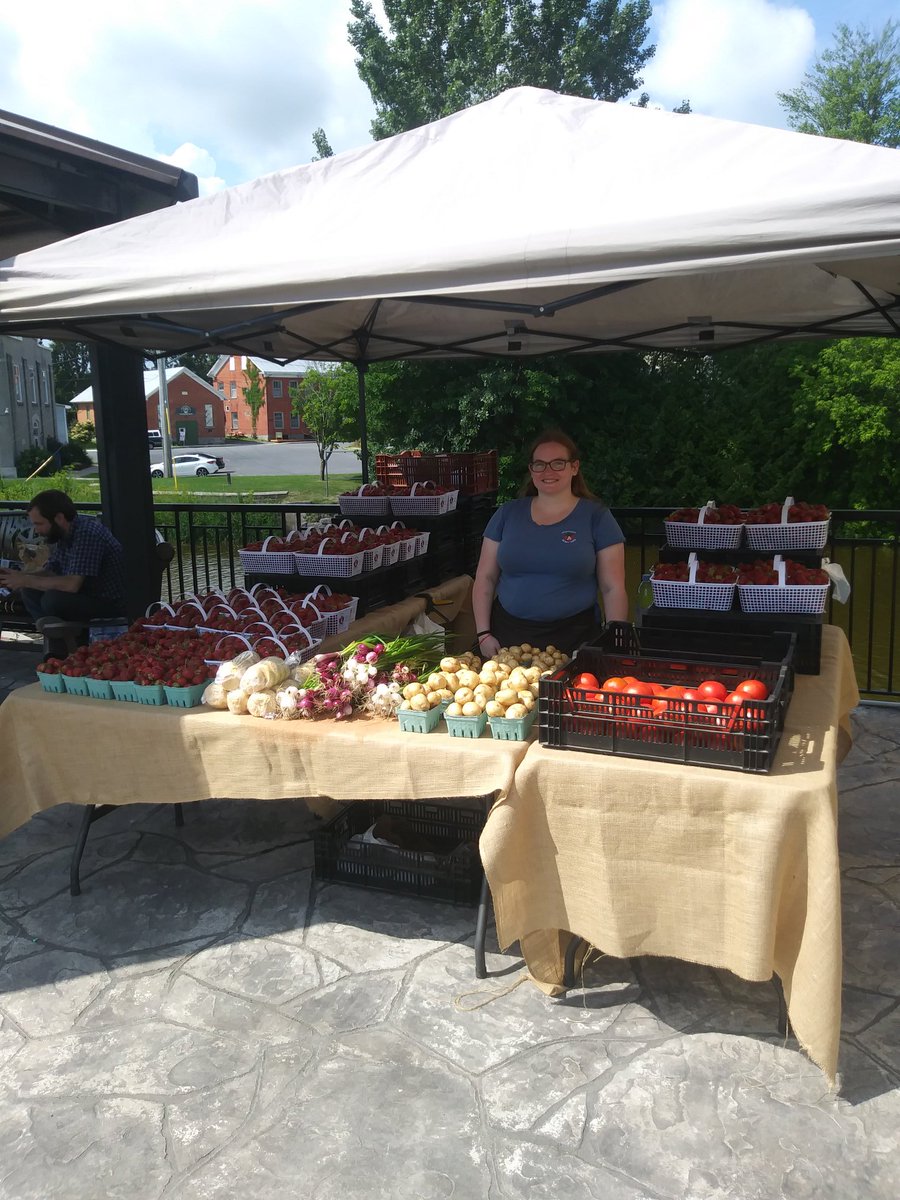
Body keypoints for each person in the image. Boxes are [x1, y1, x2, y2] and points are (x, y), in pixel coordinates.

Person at [472, 429, 628, 658]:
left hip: (576, 638)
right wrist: (483, 634)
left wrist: (615, 640)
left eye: (558, 463)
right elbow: (485, 578)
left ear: (574, 467)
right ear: (531, 470)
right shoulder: (507, 514)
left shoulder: (597, 517)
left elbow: (612, 587)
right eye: (540, 464)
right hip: (507, 639)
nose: (548, 471)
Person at [0, 490, 127, 649]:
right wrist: (18, 576)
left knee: (52, 599)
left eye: (39, 524)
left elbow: (71, 585)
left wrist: (25, 579)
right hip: (85, 596)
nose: (37, 530)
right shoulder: (63, 534)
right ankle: (57, 639)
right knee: (29, 590)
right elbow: (51, 571)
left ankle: (63, 642)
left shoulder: (87, 534)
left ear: (59, 518)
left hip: (107, 602)